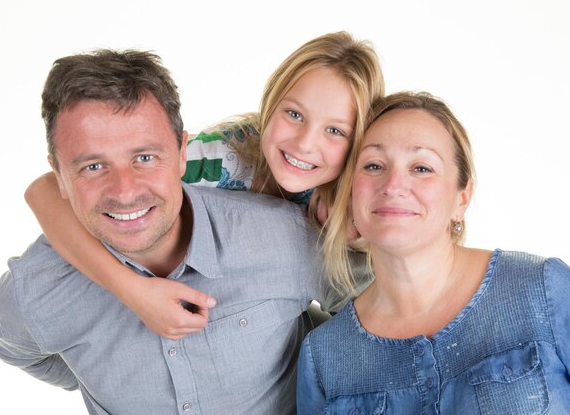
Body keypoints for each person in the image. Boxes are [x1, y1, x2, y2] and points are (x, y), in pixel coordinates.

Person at [0, 49, 343, 415]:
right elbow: (15, 348)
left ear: (181, 152)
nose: (124, 191)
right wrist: (94, 368)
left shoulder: (290, 235)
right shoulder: (34, 290)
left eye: (144, 158)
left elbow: (375, 321)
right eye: (93, 166)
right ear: (58, 175)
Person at [24, 31, 384, 338]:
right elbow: (42, 191)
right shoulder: (220, 160)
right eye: (294, 114)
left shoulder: (357, 198)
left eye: (335, 130)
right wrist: (133, 291)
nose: (305, 143)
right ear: (271, 103)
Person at [296, 91, 570, 414]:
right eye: (374, 165)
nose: (393, 185)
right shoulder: (324, 357)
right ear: (350, 194)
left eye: (421, 168)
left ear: (462, 198)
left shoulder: (543, 292)